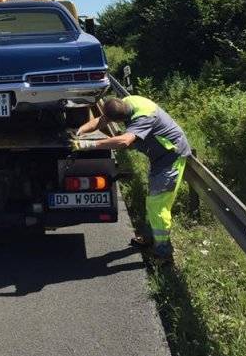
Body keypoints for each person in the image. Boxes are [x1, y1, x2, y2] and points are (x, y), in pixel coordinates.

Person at [72, 95, 192, 261]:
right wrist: (79, 132)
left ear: (120, 119)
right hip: (159, 157)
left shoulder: (143, 118)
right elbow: (101, 120)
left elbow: (124, 142)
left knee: (158, 206)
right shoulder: (128, 102)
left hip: (171, 158)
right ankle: (149, 238)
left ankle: (163, 253)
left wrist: (89, 144)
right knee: (153, 202)